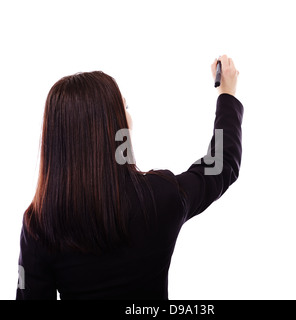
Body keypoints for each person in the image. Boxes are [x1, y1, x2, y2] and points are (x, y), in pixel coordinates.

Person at [16, 55, 243, 299]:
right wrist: (226, 95)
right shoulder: (160, 197)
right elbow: (220, 164)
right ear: (114, 127)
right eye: (124, 107)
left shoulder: (39, 224)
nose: (129, 116)